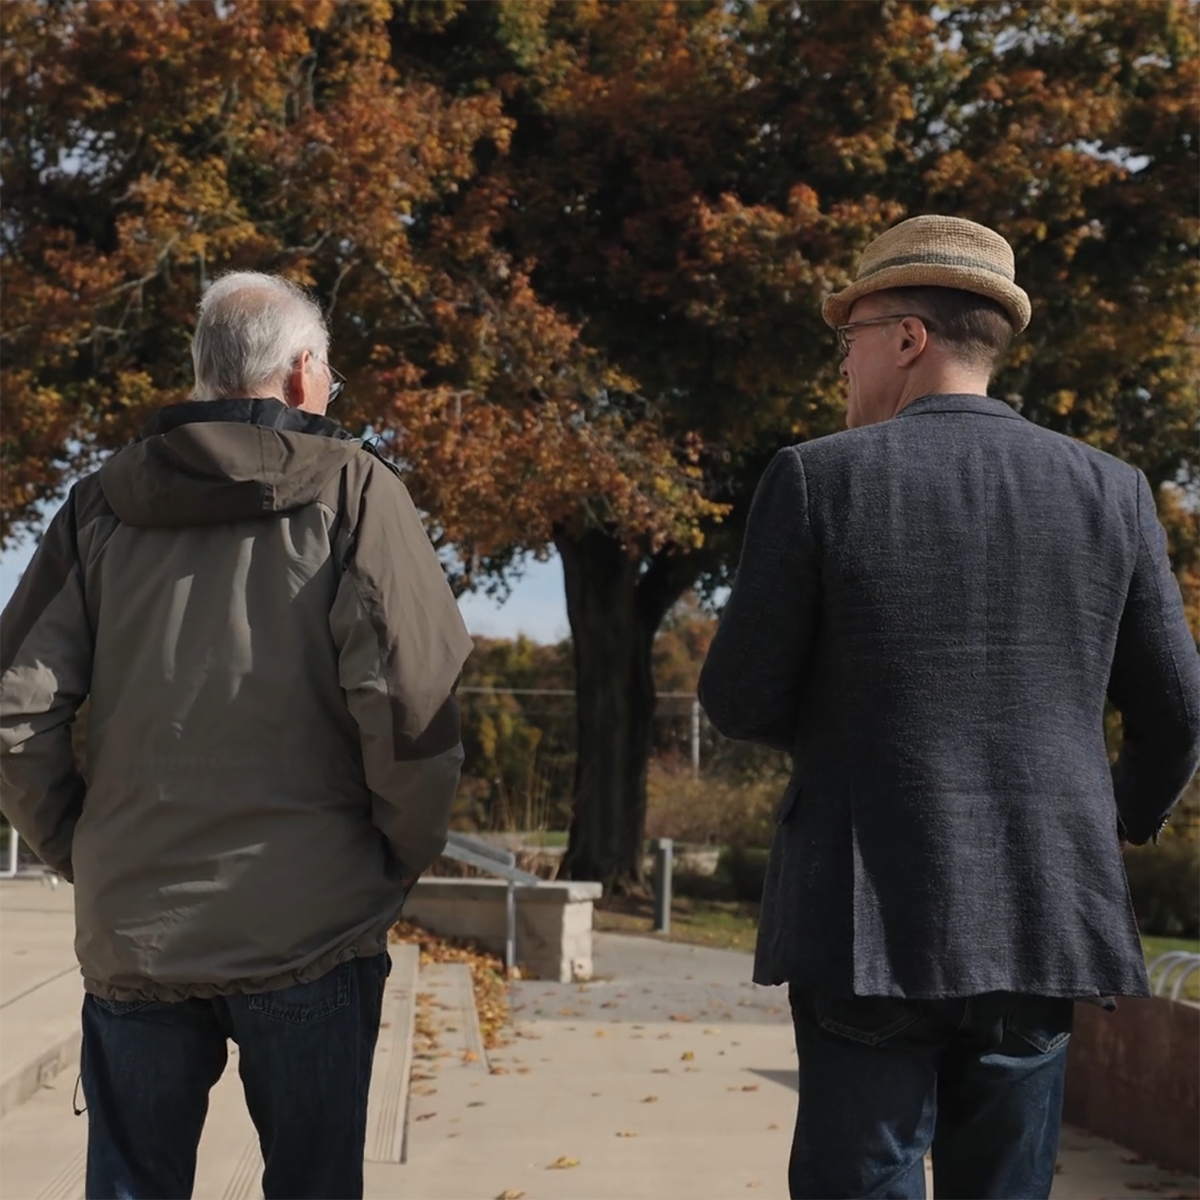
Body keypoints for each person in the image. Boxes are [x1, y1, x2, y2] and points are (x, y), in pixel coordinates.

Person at [698, 215, 1200, 1200]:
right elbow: (1179, 714)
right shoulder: (1114, 492)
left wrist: (850, 727)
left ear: (907, 339)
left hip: (865, 910)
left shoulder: (817, 479)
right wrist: (1112, 819)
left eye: (849, 343)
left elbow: (738, 696)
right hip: (1041, 903)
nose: (843, 370)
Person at [0, 272, 474, 1200]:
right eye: (328, 371)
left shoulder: (99, 504)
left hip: (137, 928)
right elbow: (412, 703)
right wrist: (395, 858)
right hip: (315, 926)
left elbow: (16, 709)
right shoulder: (359, 492)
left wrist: (84, 851)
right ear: (302, 376)